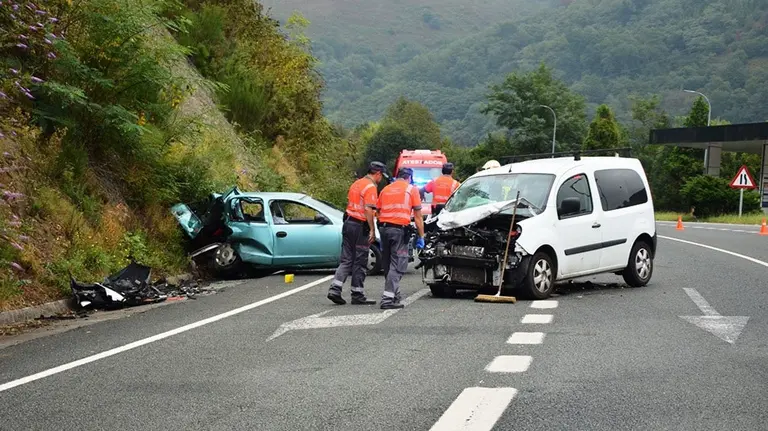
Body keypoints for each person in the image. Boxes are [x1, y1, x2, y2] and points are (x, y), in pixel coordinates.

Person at [327, 161, 387, 305]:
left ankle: (335, 288)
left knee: (346, 259)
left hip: (348, 223)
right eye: (381, 176)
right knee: (360, 261)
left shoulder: (356, 183)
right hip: (360, 226)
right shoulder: (371, 187)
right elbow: (368, 209)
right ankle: (357, 293)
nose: (381, 179)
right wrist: (372, 228)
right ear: (377, 174)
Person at [376, 167, 425, 309]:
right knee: (398, 264)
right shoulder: (411, 189)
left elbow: (378, 211)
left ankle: (394, 294)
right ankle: (387, 299)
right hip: (398, 230)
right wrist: (421, 236)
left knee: (387, 263)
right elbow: (417, 216)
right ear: (409, 177)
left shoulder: (386, 189)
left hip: (384, 229)